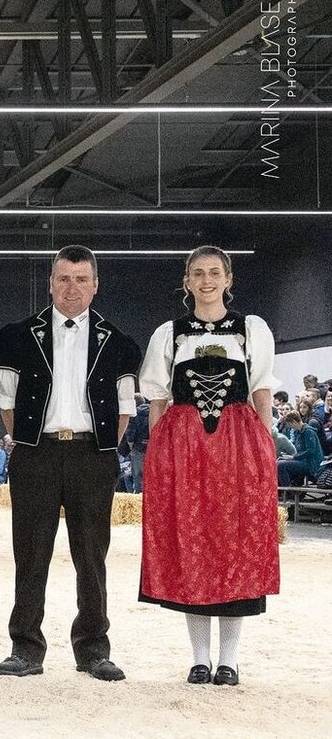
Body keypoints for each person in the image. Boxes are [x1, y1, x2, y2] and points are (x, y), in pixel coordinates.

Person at [0, 245, 140, 682]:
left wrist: (98, 452)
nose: (71, 287)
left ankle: (93, 648)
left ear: (95, 285)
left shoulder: (120, 342)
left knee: (91, 556)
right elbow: (7, 402)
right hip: (36, 452)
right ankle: (25, 647)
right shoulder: (16, 335)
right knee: (30, 554)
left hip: (93, 455)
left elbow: (125, 408)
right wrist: (30, 442)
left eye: (80, 279)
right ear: (50, 283)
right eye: (63, 278)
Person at [138, 245, 280, 686]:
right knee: (192, 539)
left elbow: (261, 392)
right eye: (197, 273)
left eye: (214, 272)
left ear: (228, 279)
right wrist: (158, 456)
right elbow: (159, 399)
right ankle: (200, 658)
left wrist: (266, 446)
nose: (206, 280)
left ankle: (230, 660)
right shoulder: (170, 333)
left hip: (237, 443)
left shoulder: (250, 330)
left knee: (233, 543)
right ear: (186, 281)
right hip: (184, 444)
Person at [278, 411, 324, 487]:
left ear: (294, 422)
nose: (290, 427)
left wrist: (294, 457)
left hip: (311, 463)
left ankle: (288, 490)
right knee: (279, 461)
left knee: (281, 465)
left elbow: (311, 451)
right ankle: (291, 486)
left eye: (289, 424)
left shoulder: (308, 431)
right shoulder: (298, 432)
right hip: (303, 461)